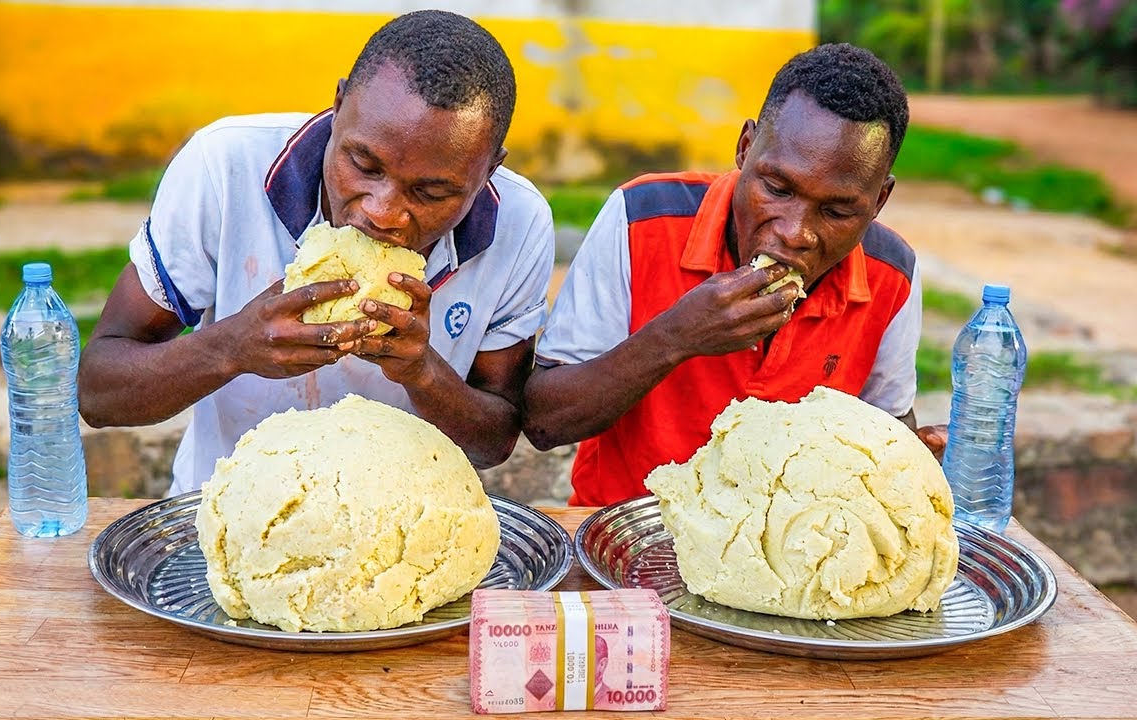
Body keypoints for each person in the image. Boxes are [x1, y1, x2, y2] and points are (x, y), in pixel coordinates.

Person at [78, 10, 555, 496]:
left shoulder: (519, 222)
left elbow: (494, 441)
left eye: (431, 193)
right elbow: (98, 393)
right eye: (363, 164)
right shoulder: (225, 167)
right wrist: (232, 348)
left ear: (489, 168)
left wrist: (423, 373)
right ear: (338, 105)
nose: (383, 212)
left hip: (406, 531)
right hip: (226, 515)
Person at [524, 43, 944, 507]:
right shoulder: (641, 219)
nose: (795, 233)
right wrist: (675, 337)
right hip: (624, 531)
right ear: (745, 148)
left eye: (837, 212)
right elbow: (545, 423)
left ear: (879, 200)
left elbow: (888, 430)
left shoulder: (892, 274)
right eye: (777, 189)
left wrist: (914, 459)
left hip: (790, 543)